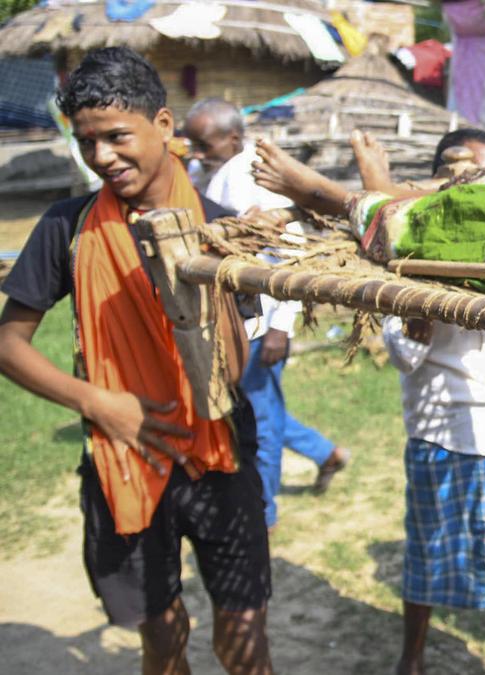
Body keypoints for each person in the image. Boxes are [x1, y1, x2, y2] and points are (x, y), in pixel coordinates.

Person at [0, 47, 272, 673]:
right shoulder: (67, 227)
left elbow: (231, 372)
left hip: (219, 454)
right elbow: (9, 342)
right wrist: (100, 403)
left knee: (244, 638)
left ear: (166, 126)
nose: (101, 157)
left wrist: (205, 266)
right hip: (121, 455)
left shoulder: (223, 228)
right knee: (161, 634)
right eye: (86, 142)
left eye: (117, 136)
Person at [375, 130, 485, 675]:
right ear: (435, 180)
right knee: (428, 549)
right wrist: (414, 326)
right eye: (458, 170)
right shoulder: (405, 250)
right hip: (437, 427)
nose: (473, 182)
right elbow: (401, 355)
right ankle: (411, 656)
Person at [184, 98, 351, 529]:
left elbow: (290, 253)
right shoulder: (204, 171)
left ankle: (262, 513)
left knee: (259, 417)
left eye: (203, 144)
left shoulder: (251, 180)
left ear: (233, 139)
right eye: (193, 144)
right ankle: (324, 452)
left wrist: (280, 326)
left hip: (258, 328)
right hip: (225, 323)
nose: (196, 152)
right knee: (256, 406)